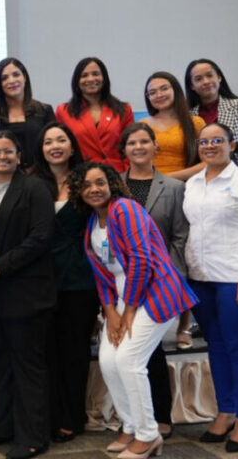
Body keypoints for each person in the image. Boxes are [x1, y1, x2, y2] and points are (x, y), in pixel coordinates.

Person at [70, 162, 197, 459]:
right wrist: (110, 311)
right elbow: (102, 273)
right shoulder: (93, 222)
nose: (94, 189)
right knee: (108, 359)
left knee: (128, 360)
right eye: (87, 185)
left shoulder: (124, 209)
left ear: (111, 183)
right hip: (124, 300)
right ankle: (130, 424)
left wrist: (128, 309)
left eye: (100, 182)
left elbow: (142, 261)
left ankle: (148, 434)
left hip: (155, 294)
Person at [183, 123, 238, 452]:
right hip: (202, 279)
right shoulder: (192, 184)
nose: (209, 146)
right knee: (216, 347)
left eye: (217, 140)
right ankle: (226, 411)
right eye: (203, 142)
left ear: (232, 145)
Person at [0, 131, 55, 459]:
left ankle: (33, 435)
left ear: (19, 156)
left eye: (9, 151)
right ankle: (3, 427)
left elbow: (40, 237)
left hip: (25, 291)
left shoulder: (35, 188)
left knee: (27, 365)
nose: (2, 156)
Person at [119, 122, 191, 438]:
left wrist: (168, 276)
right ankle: (131, 419)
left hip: (159, 283)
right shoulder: (114, 187)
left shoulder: (173, 188)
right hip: (123, 281)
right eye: (132, 143)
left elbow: (179, 238)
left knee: (153, 352)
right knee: (126, 352)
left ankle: (160, 416)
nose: (138, 147)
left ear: (155, 146)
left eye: (144, 142)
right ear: (124, 150)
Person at [31, 123, 98, 444]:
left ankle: (73, 416)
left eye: (61, 140)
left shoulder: (87, 179)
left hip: (79, 277)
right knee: (46, 351)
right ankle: (50, 415)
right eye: (48, 141)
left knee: (74, 351)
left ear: (72, 146)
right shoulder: (31, 182)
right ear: (41, 149)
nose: (54, 146)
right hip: (40, 278)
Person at [183, 59, 238, 175]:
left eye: (209, 75)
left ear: (219, 77)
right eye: (198, 79)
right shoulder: (187, 115)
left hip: (234, 177)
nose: (205, 81)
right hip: (199, 179)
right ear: (192, 86)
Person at [55, 57, 134, 173]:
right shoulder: (63, 111)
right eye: (84, 75)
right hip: (81, 175)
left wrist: (127, 172)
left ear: (104, 78)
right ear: (77, 81)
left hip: (117, 174)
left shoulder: (123, 109)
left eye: (95, 74)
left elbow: (130, 144)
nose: (91, 79)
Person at [0, 58, 56, 172]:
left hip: (40, 177)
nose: (11, 80)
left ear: (24, 77)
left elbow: (52, 145)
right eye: (4, 78)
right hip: (2, 177)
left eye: (16, 75)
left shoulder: (44, 110)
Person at [140, 72, 205, 180]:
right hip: (148, 186)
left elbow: (207, 163)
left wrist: (166, 179)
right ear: (148, 97)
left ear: (176, 90)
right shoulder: (142, 125)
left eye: (164, 88)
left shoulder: (195, 123)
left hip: (184, 185)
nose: (159, 95)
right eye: (152, 92)